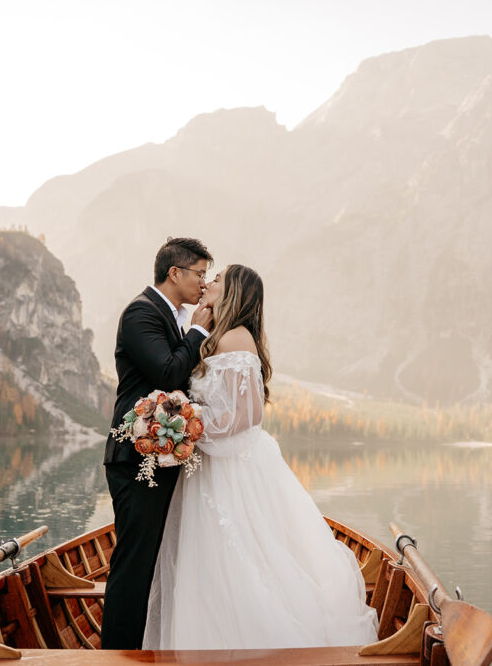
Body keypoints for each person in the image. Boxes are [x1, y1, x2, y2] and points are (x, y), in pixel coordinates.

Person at [143, 265, 379, 649]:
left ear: (233, 292)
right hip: (208, 464)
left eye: (216, 279)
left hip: (231, 468)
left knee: (238, 558)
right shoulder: (215, 336)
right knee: (205, 564)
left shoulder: (237, 338)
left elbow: (248, 414)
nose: (208, 283)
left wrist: (192, 426)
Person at [101, 237, 215, 650]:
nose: (203, 283)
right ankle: (116, 654)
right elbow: (167, 374)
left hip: (158, 456)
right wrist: (200, 331)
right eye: (199, 273)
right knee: (133, 564)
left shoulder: (166, 317)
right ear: (175, 273)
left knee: (148, 559)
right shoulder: (141, 313)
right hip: (135, 457)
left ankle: (139, 645)